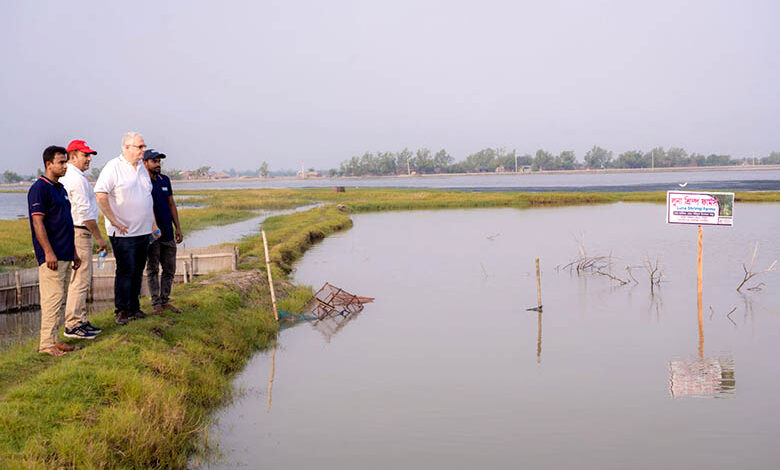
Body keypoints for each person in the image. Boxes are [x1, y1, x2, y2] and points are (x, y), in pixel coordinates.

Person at [94, 132, 158, 325]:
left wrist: (154, 225)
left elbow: (148, 198)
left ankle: (134, 308)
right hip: (123, 232)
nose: (143, 150)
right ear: (127, 147)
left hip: (143, 231)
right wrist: (113, 220)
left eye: (144, 146)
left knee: (138, 270)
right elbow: (100, 194)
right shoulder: (114, 167)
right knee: (125, 270)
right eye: (140, 147)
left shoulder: (141, 169)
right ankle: (121, 310)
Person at [28, 146, 82, 356]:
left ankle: (55, 339)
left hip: (66, 253)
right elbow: (38, 223)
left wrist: (74, 252)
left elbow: (66, 223)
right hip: (52, 256)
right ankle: (46, 345)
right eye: (61, 162)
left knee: (60, 299)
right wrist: (48, 252)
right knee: (52, 299)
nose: (65, 166)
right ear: (48, 164)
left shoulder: (60, 189)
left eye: (66, 161)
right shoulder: (39, 189)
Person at [60, 139, 108, 339]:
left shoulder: (74, 176)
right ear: (72, 156)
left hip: (75, 230)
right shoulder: (76, 179)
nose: (89, 159)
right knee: (80, 279)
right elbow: (86, 215)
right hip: (80, 230)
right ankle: (73, 324)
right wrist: (100, 238)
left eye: (89, 156)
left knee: (79, 278)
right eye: (85, 155)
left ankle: (80, 319)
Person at [143, 149, 183, 314]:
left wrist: (178, 227)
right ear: (145, 163)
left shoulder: (164, 180)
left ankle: (165, 300)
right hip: (151, 233)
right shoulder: (142, 182)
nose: (158, 164)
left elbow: (171, 204)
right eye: (154, 161)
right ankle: (156, 303)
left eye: (159, 161)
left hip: (167, 231)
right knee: (153, 268)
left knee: (170, 268)